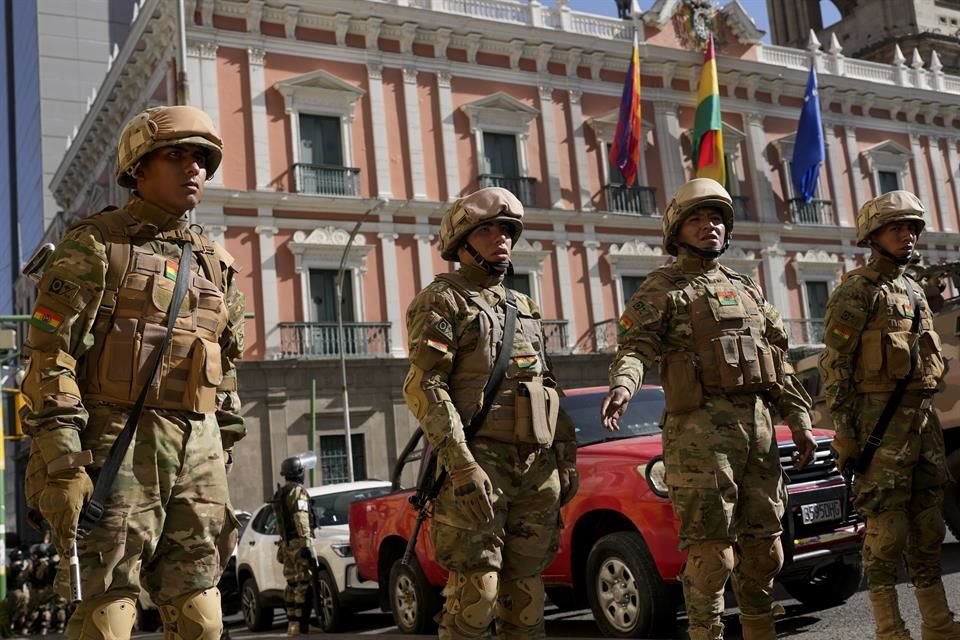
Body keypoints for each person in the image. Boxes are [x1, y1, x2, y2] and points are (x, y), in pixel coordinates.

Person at [20, 105, 246, 640]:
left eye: (202, 159)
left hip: (198, 450)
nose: (193, 168)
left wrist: (224, 444)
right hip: (116, 444)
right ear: (138, 169)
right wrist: (64, 462)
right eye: (176, 155)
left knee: (202, 616)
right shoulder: (95, 244)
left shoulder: (216, 261)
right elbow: (51, 357)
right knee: (108, 614)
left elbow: (226, 364)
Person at [600, 178, 816, 640]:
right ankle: (706, 631)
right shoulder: (662, 288)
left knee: (766, 551)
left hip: (757, 433)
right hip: (698, 438)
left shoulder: (747, 289)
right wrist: (623, 385)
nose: (709, 226)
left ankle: (760, 630)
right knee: (711, 555)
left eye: (716, 218)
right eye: (697, 219)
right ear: (677, 230)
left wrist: (798, 420)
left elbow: (779, 361)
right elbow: (635, 347)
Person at [402, 187, 578, 639]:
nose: (501, 238)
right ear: (462, 242)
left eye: (507, 230)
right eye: (487, 230)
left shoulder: (526, 308)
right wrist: (461, 466)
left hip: (535, 470)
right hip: (478, 467)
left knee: (527, 598)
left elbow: (548, 387)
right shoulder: (442, 300)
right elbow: (425, 385)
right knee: (476, 595)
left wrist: (565, 455)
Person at [818, 191, 959, 640]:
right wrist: (845, 435)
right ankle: (889, 629)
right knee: (886, 536)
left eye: (913, 227)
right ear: (872, 236)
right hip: (880, 435)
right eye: (897, 227)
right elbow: (835, 368)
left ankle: (938, 623)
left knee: (929, 529)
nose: (908, 235)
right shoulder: (856, 291)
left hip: (922, 429)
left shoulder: (915, 289)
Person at [273, 455, 317, 637]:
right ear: (299, 473)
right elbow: (301, 518)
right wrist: (307, 543)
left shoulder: (281, 493)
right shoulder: (297, 492)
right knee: (303, 585)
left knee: (291, 584)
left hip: (286, 544)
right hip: (299, 544)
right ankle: (301, 625)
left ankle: (292, 625)